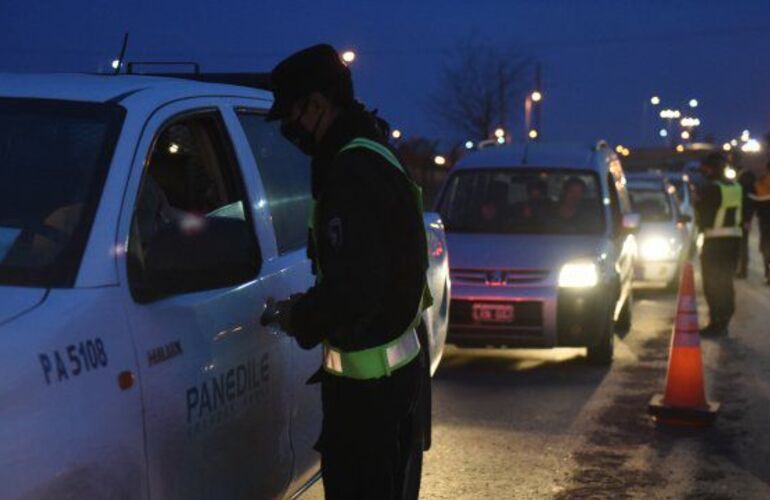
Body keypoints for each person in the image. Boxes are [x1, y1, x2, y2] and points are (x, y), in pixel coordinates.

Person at [266, 44, 431, 499]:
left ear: (317, 105)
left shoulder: (351, 172)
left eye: (291, 115)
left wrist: (298, 317)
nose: (288, 129)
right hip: (391, 378)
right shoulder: (372, 150)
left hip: (367, 395)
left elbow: (355, 288)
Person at [694, 153, 743, 336]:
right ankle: (724, 319)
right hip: (734, 242)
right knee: (726, 281)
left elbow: (703, 216)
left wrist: (696, 202)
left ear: (712, 169)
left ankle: (716, 322)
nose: (703, 172)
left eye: (705, 169)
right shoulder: (736, 187)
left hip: (715, 243)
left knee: (713, 283)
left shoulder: (710, 189)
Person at [750, 160, 770, 284]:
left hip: (765, 220)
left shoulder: (760, 183)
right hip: (765, 219)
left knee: (766, 247)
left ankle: (767, 273)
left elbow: (754, 200)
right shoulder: (761, 183)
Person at [736, 165, 756, 278]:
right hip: (743, 220)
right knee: (743, 245)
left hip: (741, 220)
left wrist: (747, 220)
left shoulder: (742, 190)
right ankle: (742, 270)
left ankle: (742, 270)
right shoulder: (751, 190)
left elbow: (748, 206)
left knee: (741, 245)